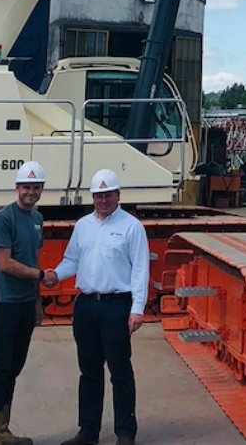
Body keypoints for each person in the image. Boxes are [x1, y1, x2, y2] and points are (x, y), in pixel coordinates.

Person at [49, 169, 149, 445]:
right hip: (87, 306)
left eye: (108, 194)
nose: (103, 200)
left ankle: (125, 432)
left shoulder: (131, 227)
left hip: (117, 306)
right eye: (98, 195)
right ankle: (88, 431)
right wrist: (55, 274)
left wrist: (137, 308)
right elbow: (72, 260)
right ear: (92, 197)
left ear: (118, 196)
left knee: (120, 370)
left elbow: (140, 269)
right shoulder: (83, 226)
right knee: (89, 370)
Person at [0, 161, 48, 445]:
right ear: (17, 188)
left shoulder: (37, 219)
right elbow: (5, 263)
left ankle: (4, 429)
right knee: (0, 367)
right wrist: (42, 276)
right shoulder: (4, 218)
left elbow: (33, 259)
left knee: (15, 366)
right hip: (4, 304)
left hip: (24, 304)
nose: (30, 192)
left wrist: (37, 301)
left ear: (41, 190)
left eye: (36, 187)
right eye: (26, 187)